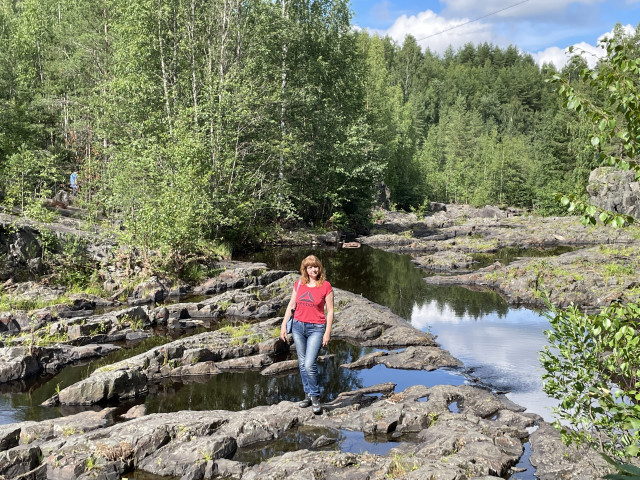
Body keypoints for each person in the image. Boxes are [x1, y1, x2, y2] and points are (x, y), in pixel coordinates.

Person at [280, 255, 334, 414]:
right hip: (297, 327)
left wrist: (327, 332)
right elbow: (291, 305)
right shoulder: (299, 284)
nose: (314, 269)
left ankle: (316, 397)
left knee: (310, 363)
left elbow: (330, 312)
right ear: (305, 269)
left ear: (320, 268)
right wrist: (284, 325)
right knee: (302, 364)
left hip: (316, 328)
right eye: (310, 267)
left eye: (316, 266)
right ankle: (307, 395)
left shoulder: (325, 286)